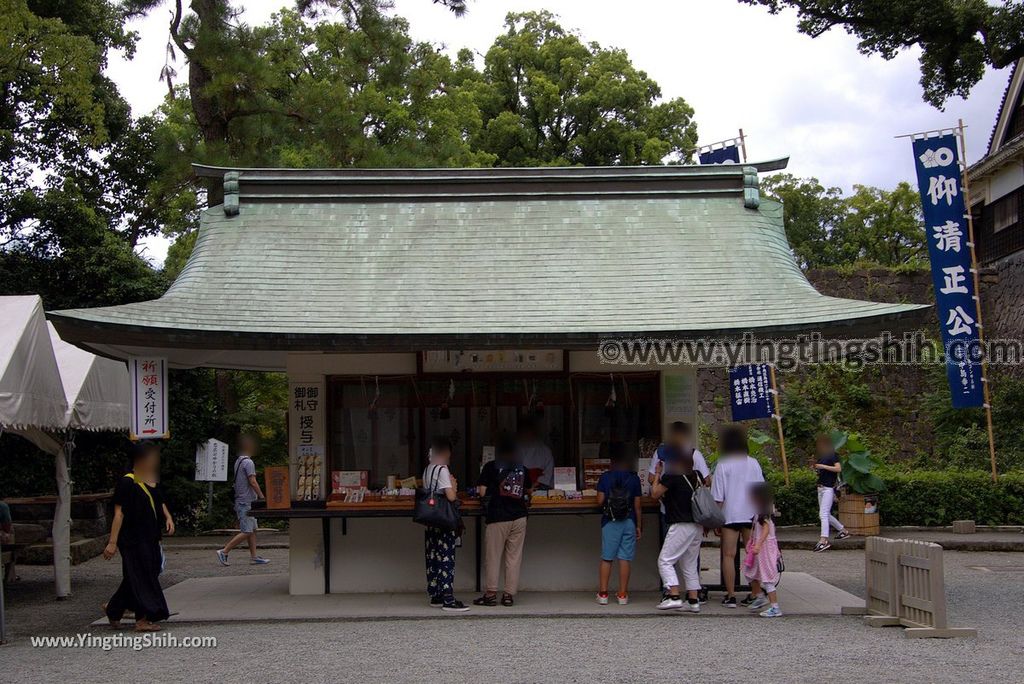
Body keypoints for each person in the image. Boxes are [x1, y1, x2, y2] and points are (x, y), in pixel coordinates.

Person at [102, 442, 171, 632]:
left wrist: (167, 517)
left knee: (142, 573)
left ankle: (113, 608)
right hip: (132, 539)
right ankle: (142, 619)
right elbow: (119, 513)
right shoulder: (127, 481)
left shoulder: (149, 480)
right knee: (142, 575)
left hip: (150, 536)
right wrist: (112, 542)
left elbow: (158, 501)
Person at [648, 422, 710, 602]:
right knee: (690, 562)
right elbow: (707, 480)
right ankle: (693, 599)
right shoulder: (694, 466)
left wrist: (659, 474)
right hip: (696, 520)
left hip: (676, 519)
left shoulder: (670, 472)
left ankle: (672, 594)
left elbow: (654, 492)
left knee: (666, 559)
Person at [710, 423, 765, 608]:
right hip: (751, 515)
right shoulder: (753, 463)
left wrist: (714, 520)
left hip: (729, 515)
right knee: (752, 554)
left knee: (728, 555)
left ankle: (731, 594)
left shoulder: (723, 465)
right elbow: (761, 492)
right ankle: (756, 591)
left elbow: (718, 497)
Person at [474, 436, 532, 607]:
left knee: (493, 556)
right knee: (514, 557)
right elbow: (529, 491)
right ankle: (508, 595)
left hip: (497, 517)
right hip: (519, 517)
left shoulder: (491, 467)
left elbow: (482, 492)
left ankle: (491, 594)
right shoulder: (522, 469)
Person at [422, 436, 469, 612]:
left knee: (433, 555)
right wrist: (454, 485)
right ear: (446, 452)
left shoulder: (428, 469)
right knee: (446, 556)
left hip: (431, 519)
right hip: (444, 520)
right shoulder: (442, 469)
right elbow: (450, 496)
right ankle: (448, 598)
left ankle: (436, 594)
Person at [595, 442, 642, 605]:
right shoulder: (634, 478)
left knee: (607, 557)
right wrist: (638, 525)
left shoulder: (605, 477)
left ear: (611, 460)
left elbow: (599, 500)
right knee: (624, 558)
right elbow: (637, 506)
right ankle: (622, 595)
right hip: (628, 521)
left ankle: (603, 594)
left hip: (610, 521)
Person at [217, 435, 269, 566]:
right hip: (246, 501)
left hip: (243, 500)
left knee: (252, 530)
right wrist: (262, 496)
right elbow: (252, 481)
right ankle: (224, 551)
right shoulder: (248, 462)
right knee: (247, 531)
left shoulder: (239, 461)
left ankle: (254, 557)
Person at [743, 483, 784, 618]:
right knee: (749, 572)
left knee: (767, 578)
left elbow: (765, 529)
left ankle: (775, 607)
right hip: (759, 548)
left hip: (764, 549)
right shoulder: (760, 511)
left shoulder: (763, 513)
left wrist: (758, 544)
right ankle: (760, 596)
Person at [812, 434, 849, 552]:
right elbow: (822, 471)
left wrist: (823, 466)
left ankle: (824, 540)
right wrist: (816, 468)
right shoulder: (822, 457)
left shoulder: (833, 455)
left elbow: (838, 469)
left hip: (828, 488)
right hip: (821, 487)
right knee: (824, 514)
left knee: (823, 514)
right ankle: (843, 530)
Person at [516, 417, 554, 490]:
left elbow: (549, 473)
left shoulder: (544, 450)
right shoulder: (513, 448)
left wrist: (538, 483)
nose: (526, 434)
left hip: (539, 488)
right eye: (523, 431)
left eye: (528, 431)